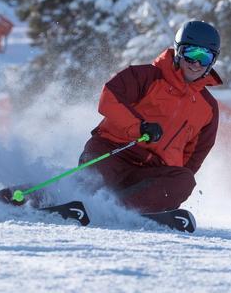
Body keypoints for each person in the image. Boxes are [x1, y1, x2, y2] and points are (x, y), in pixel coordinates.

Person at [79, 20, 223, 214]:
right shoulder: (146, 76)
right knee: (95, 181)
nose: (196, 64)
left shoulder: (208, 107)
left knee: (184, 180)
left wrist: (166, 187)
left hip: (149, 173)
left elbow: (194, 156)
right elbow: (109, 98)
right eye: (191, 54)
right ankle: (64, 197)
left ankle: (121, 210)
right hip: (113, 153)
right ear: (178, 51)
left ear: (212, 61)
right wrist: (140, 127)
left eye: (204, 57)